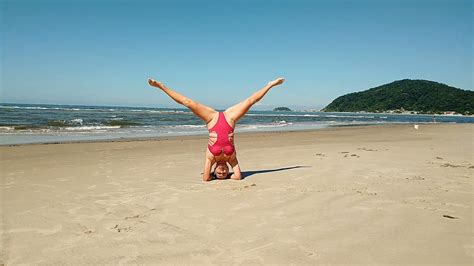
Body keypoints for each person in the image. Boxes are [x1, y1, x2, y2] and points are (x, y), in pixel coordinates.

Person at [148, 77, 285, 181]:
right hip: (229, 118)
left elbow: (205, 178)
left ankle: (161, 86)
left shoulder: (210, 158)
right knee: (250, 101)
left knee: (187, 103)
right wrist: (230, 177)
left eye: (219, 173)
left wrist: (212, 176)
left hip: (212, 119)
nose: (222, 172)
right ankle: (270, 85)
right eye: (224, 173)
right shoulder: (231, 159)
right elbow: (238, 176)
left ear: (214, 170)